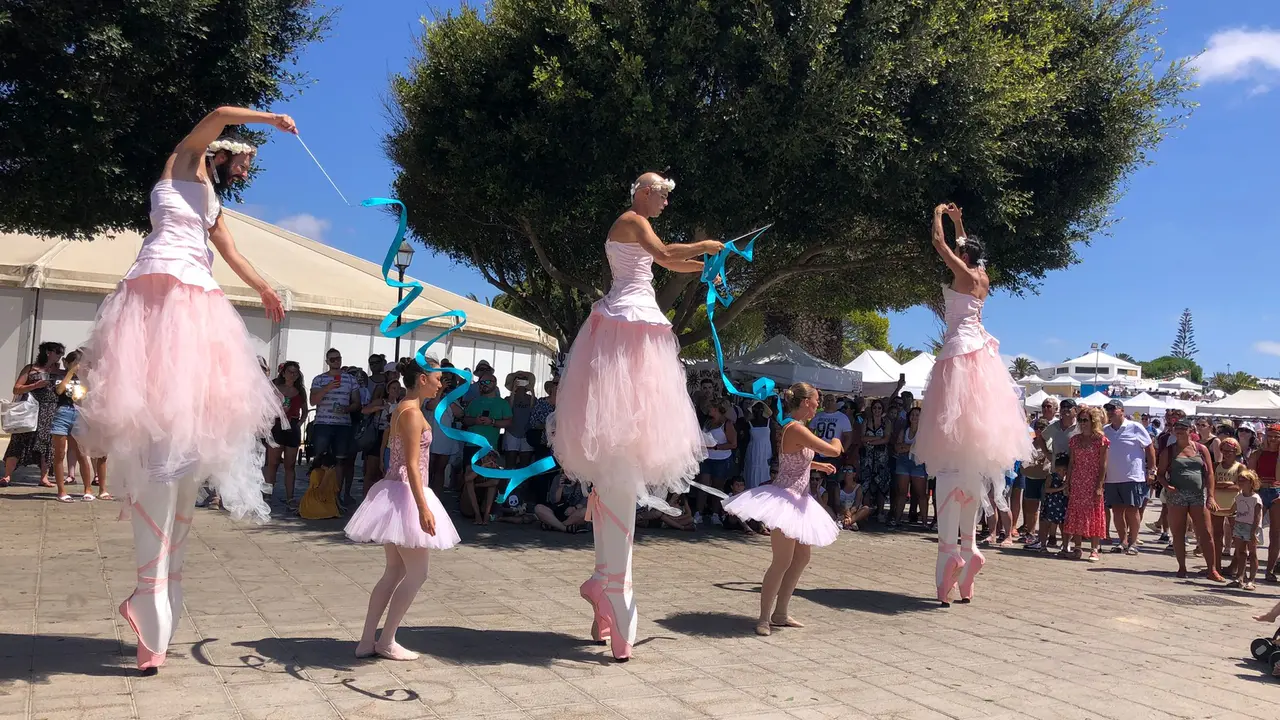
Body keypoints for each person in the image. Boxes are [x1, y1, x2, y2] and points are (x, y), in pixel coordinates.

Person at [69, 107, 295, 673]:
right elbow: (218, 114)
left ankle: (157, 600)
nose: (244, 172)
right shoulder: (183, 160)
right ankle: (149, 598)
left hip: (198, 309)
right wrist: (271, 119)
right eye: (243, 161)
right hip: (154, 299)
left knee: (187, 454)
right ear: (225, 152)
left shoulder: (213, 204)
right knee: (158, 447)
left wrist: (266, 289)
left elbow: (233, 255)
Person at [553, 172, 722, 661]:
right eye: (663, 195)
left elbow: (672, 262)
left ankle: (601, 594)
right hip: (627, 321)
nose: (666, 202)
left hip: (637, 311)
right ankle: (610, 596)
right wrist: (705, 246)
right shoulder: (630, 220)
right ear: (643, 192)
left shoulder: (639, 227)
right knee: (624, 414)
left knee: (621, 473)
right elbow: (666, 253)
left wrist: (707, 263)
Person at [912, 203, 1031, 605]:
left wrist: (937, 215)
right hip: (981, 355)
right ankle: (970, 547)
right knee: (971, 450)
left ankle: (949, 561)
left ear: (965, 256)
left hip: (959, 355)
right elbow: (963, 245)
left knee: (949, 436)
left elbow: (937, 243)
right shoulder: (983, 277)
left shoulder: (962, 272)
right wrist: (961, 221)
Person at [345, 357, 459, 661]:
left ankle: (368, 640)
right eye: (436, 378)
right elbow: (410, 464)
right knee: (417, 573)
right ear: (422, 379)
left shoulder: (407, 410)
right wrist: (423, 509)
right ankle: (386, 640)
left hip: (397, 492)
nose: (440, 384)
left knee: (395, 571)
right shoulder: (410, 413)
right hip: (406, 493)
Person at [721, 382, 841, 636]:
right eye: (816, 400)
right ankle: (764, 617)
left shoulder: (799, 428)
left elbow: (794, 460)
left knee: (801, 557)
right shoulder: (795, 428)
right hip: (785, 500)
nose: (818, 405)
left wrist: (818, 467)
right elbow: (832, 450)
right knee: (782, 560)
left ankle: (781, 612)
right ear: (806, 402)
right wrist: (838, 439)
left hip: (800, 500)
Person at [1156, 419, 1224, 581]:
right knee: (1178, 533)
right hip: (1177, 496)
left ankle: (1212, 570)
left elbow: (1209, 474)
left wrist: (1211, 496)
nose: (1178, 431)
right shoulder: (1169, 451)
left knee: (1206, 533)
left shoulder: (1201, 449)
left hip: (1198, 495)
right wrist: (1167, 485)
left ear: (1190, 430)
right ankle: (1182, 567)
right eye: (1176, 428)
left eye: (1182, 428)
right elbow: (1160, 473)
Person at [1, 341, 64, 488]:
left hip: (49, 409)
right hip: (29, 409)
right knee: (19, 438)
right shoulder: (31, 369)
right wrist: (34, 386)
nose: (61, 355)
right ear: (49, 352)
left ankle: (44, 477)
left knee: (46, 442)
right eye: (59, 352)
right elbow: (16, 389)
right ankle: (7, 476)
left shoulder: (57, 370)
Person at [1102, 400, 1154, 556]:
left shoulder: (1135, 427)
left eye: (1113, 409)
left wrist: (1152, 470)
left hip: (1132, 477)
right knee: (1117, 512)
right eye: (1107, 409)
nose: (1110, 412)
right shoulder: (1105, 430)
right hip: (1112, 478)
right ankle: (1122, 541)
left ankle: (1133, 542)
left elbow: (1150, 448)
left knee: (1132, 511)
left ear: (1122, 410)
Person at [51, 349, 103, 502]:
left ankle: (87, 489)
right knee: (60, 454)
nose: (77, 366)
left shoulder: (84, 379)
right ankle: (61, 491)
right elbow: (59, 390)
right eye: (74, 363)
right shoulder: (60, 375)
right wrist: (70, 373)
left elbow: (88, 395)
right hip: (62, 413)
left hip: (78, 413)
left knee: (81, 453)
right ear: (66, 363)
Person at [1063, 407, 1109, 562]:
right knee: (1076, 513)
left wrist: (1099, 485)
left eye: (1085, 420)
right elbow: (1071, 463)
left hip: (1093, 480)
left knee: (1094, 513)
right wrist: (1067, 482)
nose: (1082, 423)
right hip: (1077, 480)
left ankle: (1094, 548)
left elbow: (1103, 465)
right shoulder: (1075, 440)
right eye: (1080, 420)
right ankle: (1077, 547)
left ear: (1093, 421)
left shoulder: (1101, 440)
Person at [265, 361, 308, 508]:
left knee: (290, 465)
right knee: (273, 463)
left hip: (292, 427)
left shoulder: (300, 390)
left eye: (295, 372)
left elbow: (305, 410)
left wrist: (299, 423)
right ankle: (267, 495)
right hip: (277, 426)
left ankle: (290, 497)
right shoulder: (275, 388)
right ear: (283, 373)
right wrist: (279, 411)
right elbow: (267, 407)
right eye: (290, 371)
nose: (293, 374)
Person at [1246, 424, 1280, 583]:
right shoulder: (1257, 454)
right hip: (1260, 491)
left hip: (1277, 491)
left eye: (1276, 436)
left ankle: (1270, 570)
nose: (1273, 439)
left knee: (1275, 534)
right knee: (1253, 531)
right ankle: (1249, 566)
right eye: (1270, 435)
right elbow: (1250, 475)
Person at [1212, 438, 1245, 576]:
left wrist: (1223, 485)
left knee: (1238, 537)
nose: (1227, 454)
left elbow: (1241, 485)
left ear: (1236, 451)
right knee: (1216, 536)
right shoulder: (1216, 465)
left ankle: (1234, 566)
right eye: (1224, 451)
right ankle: (1216, 566)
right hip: (1217, 503)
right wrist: (1227, 484)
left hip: (1234, 504)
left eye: (1230, 451)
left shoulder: (1240, 467)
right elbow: (1211, 484)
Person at [1229, 469, 1262, 590]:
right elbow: (1231, 510)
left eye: (1244, 480)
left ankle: (1251, 580)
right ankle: (1240, 577)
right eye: (1239, 480)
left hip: (1251, 527)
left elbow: (1257, 517)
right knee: (1240, 553)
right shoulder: (1239, 497)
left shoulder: (1256, 498)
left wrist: (1253, 533)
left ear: (1251, 482)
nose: (1241, 482)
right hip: (1239, 526)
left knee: (1252, 554)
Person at [743, 402, 774, 490]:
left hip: (766, 452)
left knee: (765, 473)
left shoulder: (769, 422)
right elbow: (745, 440)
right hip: (753, 452)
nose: (758, 411)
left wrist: (774, 455)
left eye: (761, 409)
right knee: (753, 475)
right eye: (756, 409)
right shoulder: (749, 423)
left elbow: (773, 439)